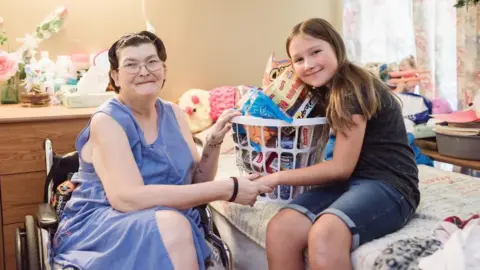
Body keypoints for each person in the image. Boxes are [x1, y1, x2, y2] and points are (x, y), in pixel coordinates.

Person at [53, 31, 272, 270]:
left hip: (169, 219)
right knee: (174, 225)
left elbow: (197, 181)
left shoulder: (175, 113)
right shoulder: (108, 120)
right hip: (104, 221)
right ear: (115, 76)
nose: (144, 71)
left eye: (151, 61)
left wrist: (213, 142)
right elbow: (126, 198)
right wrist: (228, 188)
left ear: (164, 69)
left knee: (175, 224)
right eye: (131, 64)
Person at [256, 18, 419, 270]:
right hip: (347, 183)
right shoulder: (321, 90)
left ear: (336, 47)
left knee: (326, 233)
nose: (308, 64)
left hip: (389, 183)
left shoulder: (352, 87)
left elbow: (340, 167)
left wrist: (278, 177)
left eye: (316, 52)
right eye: (298, 60)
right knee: (281, 229)